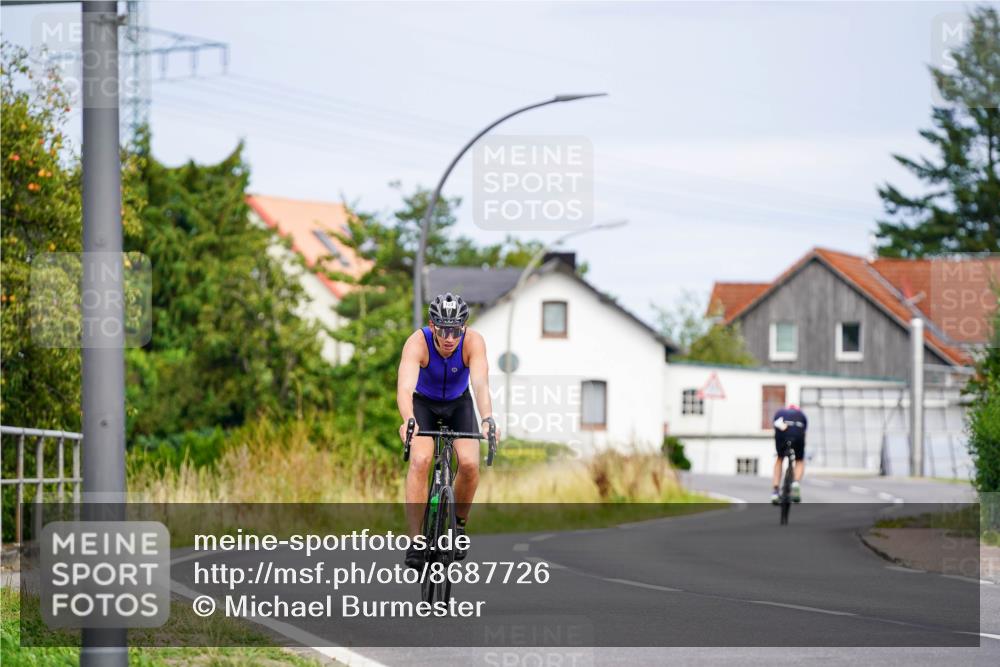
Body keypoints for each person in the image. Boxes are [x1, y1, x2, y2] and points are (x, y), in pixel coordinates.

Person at [396, 292, 499, 568]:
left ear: (463, 327)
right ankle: (416, 540)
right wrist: (409, 420)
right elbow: (405, 388)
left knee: (469, 464)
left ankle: (459, 525)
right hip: (424, 406)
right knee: (420, 460)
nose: (450, 337)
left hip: (458, 404)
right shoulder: (417, 342)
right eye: (444, 329)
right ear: (433, 326)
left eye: (456, 330)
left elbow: (479, 384)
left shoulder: (473, 342)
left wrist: (488, 419)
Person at [771, 403, 807, 504]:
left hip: (782, 433)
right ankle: (795, 483)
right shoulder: (801, 415)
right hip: (798, 433)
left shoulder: (780, 412)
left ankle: (775, 491)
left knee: (779, 458)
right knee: (799, 460)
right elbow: (804, 433)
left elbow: (775, 429)